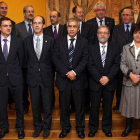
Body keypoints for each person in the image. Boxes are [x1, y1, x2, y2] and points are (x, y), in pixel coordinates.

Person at [53, 17, 88, 139]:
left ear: (78, 29)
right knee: (64, 107)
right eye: (70, 26)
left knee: (79, 107)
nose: (72, 28)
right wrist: (67, 72)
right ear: (66, 28)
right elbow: (55, 59)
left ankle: (80, 129)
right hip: (64, 80)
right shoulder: (58, 41)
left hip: (78, 80)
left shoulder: (84, 42)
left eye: (74, 26)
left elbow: (85, 60)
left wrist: (74, 72)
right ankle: (65, 128)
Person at [24, 16, 54, 138]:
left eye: (39, 23)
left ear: (43, 25)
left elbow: (53, 60)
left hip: (47, 77)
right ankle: (37, 126)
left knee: (47, 104)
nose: (36, 25)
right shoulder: (26, 41)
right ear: (32, 26)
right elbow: (25, 60)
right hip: (33, 77)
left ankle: (47, 127)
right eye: (34, 23)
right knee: (35, 104)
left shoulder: (50, 40)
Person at [87, 25, 120, 137]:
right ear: (97, 34)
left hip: (109, 83)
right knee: (94, 107)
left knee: (107, 107)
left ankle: (107, 128)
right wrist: (99, 78)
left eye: (105, 33)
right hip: (95, 82)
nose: (102, 35)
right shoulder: (91, 48)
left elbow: (117, 64)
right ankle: (93, 128)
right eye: (100, 32)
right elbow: (89, 65)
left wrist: (108, 77)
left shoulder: (115, 48)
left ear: (109, 35)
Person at [0, 17, 25, 139]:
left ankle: (20, 128)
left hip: (16, 79)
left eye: (10, 26)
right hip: (1, 80)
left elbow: (21, 60)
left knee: (19, 105)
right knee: (1, 105)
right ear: (0, 28)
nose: (8, 28)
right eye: (5, 26)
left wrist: (15, 72)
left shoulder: (18, 41)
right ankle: (4, 128)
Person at [119, 23, 140, 139]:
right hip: (128, 81)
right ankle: (128, 127)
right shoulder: (126, 47)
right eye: (136, 32)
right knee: (129, 105)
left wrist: (138, 77)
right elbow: (122, 64)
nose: (138, 35)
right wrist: (131, 75)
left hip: (139, 81)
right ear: (132, 34)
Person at [12, 5, 34, 114]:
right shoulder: (17, 27)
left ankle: (38, 105)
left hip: (35, 63)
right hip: (23, 63)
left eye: (32, 11)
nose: (30, 13)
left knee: (35, 85)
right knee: (24, 86)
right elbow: (14, 44)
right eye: (28, 11)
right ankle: (25, 104)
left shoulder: (37, 25)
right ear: (24, 13)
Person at [112, 8, 135, 110]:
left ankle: (133, 104)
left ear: (132, 17)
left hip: (135, 60)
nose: (125, 17)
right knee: (119, 83)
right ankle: (119, 104)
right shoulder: (116, 28)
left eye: (127, 15)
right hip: (120, 60)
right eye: (123, 15)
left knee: (133, 84)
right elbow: (113, 43)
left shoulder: (137, 27)